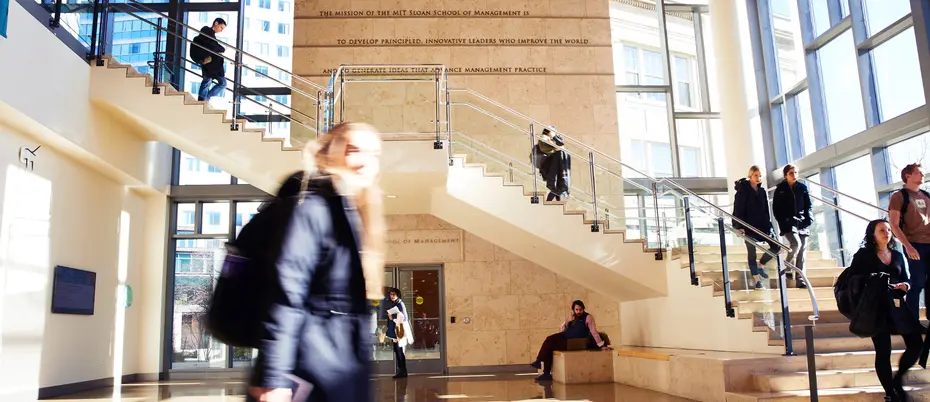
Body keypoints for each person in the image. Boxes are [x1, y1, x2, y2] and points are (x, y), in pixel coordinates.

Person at [247, 122, 386, 402]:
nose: (364, 162)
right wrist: (273, 378)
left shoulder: (350, 212)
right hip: (307, 373)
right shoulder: (312, 209)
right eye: (353, 150)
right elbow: (286, 295)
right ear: (331, 154)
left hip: (341, 371)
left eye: (373, 154)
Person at [845, 219, 922, 402]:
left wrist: (905, 285)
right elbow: (852, 279)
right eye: (882, 230)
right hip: (875, 307)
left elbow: (907, 279)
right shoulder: (864, 255)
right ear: (873, 234)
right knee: (883, 350)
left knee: (916, 342)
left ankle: (897, 379)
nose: (886, 233)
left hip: (896, 306)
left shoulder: (896, 255)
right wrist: (876, 279)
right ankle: (890, 393)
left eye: (888, 230)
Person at [888, 163, 930, 321]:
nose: (923, 175)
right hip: (915, 244)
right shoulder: (899, 196)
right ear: (908, 176)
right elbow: (894, 224)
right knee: (917, 282)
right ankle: (911, 321)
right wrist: (908, 246)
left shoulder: (926, 195)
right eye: (919, 172)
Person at [529, 300, 609, 382]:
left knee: (550, 345)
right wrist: (568, 321)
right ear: (573, 310)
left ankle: (543, 367)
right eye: (576, 310)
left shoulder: (588, 317)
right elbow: (562, 329)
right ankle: (543, 368)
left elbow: (594, 332)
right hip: (565, 336)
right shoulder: (572, 317)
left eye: (580, 309)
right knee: (549, 339)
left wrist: (602, 346)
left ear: (583, 309)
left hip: (574, 341)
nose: (578, 312)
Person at [733, 165, 781, 289]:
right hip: (748, 226)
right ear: (750, 175)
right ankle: (756, 279)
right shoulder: (743, 190)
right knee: (751, 252)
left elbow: (766, 210)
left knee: (776, 247)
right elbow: (738, 209)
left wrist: (769, 224)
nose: (758, 178)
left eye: (760, 176)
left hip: (763, 225)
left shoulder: (762, 191)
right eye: (756, 175)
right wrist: (739, 226)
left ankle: (761, 265)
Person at [772, 164, 813, 288]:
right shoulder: (780, 189)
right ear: (785, 175)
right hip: (788, 223)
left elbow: (808, 206)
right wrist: (783, 221)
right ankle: (786, 267)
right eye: (791, 173)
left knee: (802, 252)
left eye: (795, 172)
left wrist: (809, 219)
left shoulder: (802, 188)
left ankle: (800, 280)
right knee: (796, 244)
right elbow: (776, 209)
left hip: (802, 222)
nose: (794, 175)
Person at [192, 18, 228, 102]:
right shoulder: (207, 32)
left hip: (211, 63)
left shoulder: (210, 34)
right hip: (210, 63)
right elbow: (211, 45)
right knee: (219, 83)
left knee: (208, 81)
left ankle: (203, 99)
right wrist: (221, 49)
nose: (221, 30)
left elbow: (214, 46)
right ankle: (204, 98)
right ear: (216, 23)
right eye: (221, 27)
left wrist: (220, 48)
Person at [531, 128, 571, 201]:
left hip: (553, 164)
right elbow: (559, 144)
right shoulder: (544, 138)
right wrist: (554, 137)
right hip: (552, 165)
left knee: (558, 186)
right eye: (553, 131)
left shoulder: (547, 139)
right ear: (549, 132)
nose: (554, 133)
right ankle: (549, 202)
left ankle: (558, 203)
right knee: (557, 186)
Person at [383, 287, 413, 379]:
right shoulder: (393, 304)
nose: (392, 296)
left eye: (394, 294)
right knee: (397, 351)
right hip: (394, 331)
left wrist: (393, 318)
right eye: (391, 294)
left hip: (399, 331)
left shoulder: (400, 304)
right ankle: (401, 370)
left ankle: (402, 371)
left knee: (399, 351)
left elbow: (403, 318)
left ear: (397, 295)